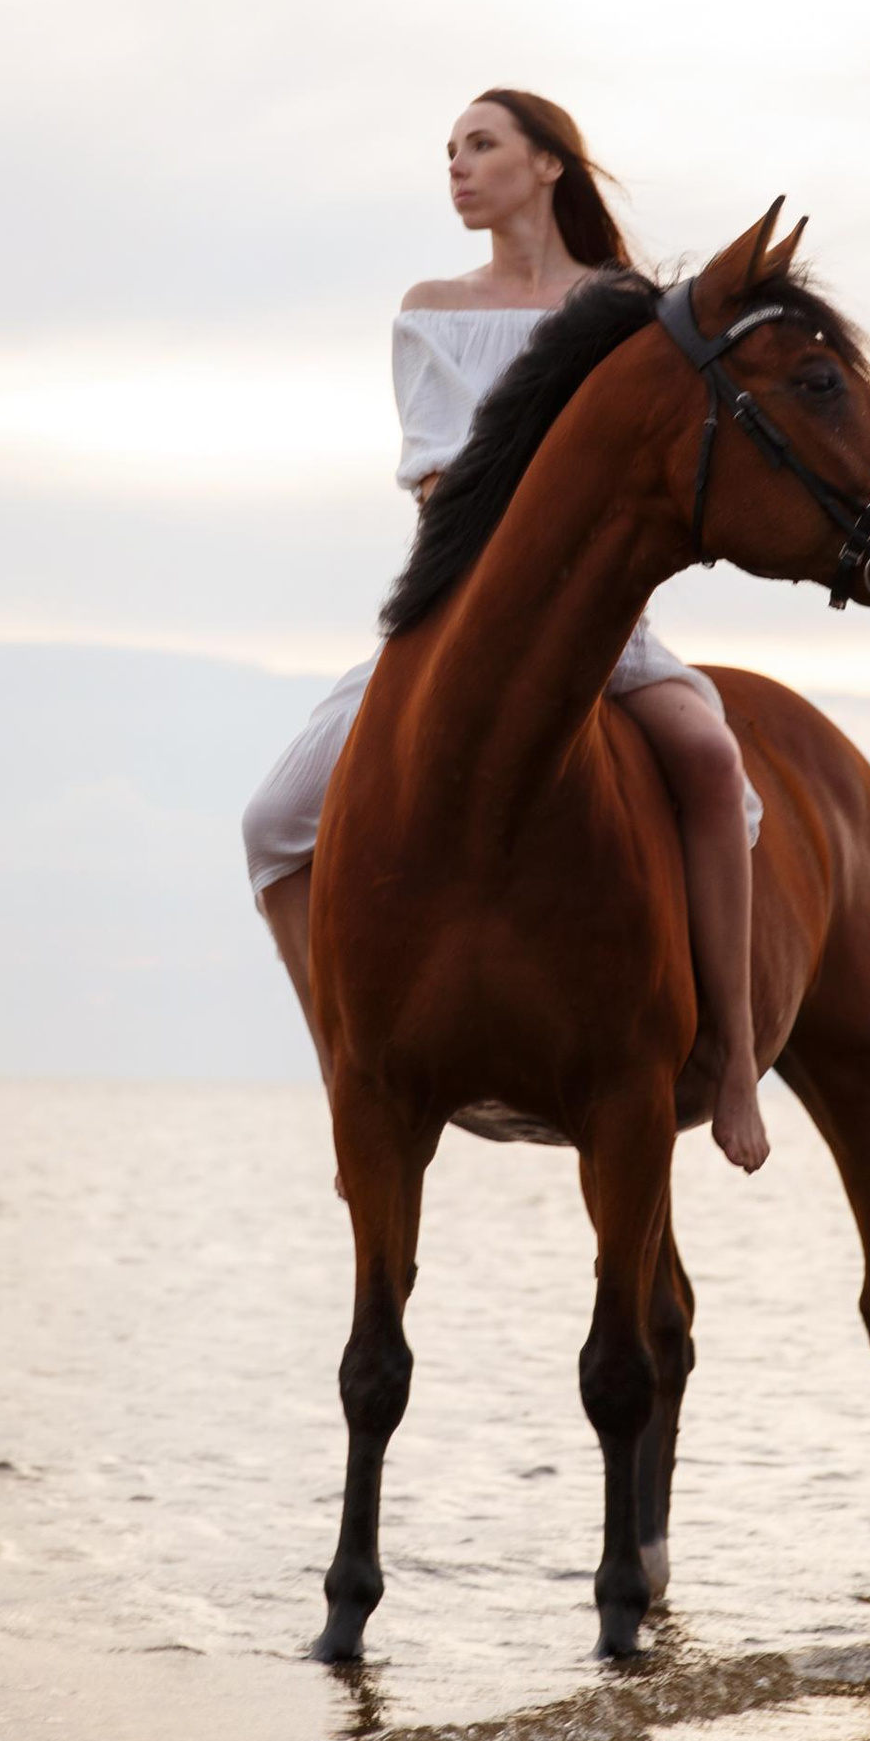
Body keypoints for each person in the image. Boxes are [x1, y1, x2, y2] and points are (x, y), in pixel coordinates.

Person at [242, 88, 770, 1174]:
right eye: (449, 151)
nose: (457, 166)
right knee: (272, 823)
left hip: (607, 630)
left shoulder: (627, 308)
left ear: (548, 167)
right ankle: (348, 1069)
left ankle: (734, 1059)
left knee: (715, 760)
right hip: (450, 622)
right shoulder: (432, 309)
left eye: (481, 146)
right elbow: (435, 476)